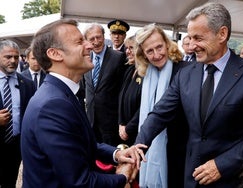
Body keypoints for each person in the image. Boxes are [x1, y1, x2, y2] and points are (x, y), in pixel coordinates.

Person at [135, 2, 243, 188]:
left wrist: (220, 165)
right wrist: (138, 146)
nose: (192, 45)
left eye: (198, 38)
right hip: (191, 177)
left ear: (222, 34)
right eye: (190, 37)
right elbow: (159, 114)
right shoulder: (186, 74)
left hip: (230, 179)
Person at [21, 19, 147, 188]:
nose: (89, 45)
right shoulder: (52, 105)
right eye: (80, 41)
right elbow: (79, 182)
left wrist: (117, 154)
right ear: (55, 54)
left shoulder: (60, 94)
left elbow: (82, 144)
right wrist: (123, 178)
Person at [135, 23, 189, 188]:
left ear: (167, 44)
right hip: (149, 143)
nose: (156, 55)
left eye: (159, 47)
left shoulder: (186, 70)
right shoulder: (146, 75)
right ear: (143, 55)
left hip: (179, 148)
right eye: (149, 51)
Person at [83, 23, 127, 146]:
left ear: (104, 36)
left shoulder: (118, 57)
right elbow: (83, 88)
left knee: (109, 161)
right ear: (86, 41)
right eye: (91, 39)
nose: (96, 42)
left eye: (99, 37)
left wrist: (121, 121)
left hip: (110, 123)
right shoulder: (85, 59)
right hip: (90, 121)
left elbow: (123, 91)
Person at [0, 40, 35, 188]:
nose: (13, 61)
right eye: (8, 57)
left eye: (15, 57)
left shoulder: (27, 83)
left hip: (15, 147)